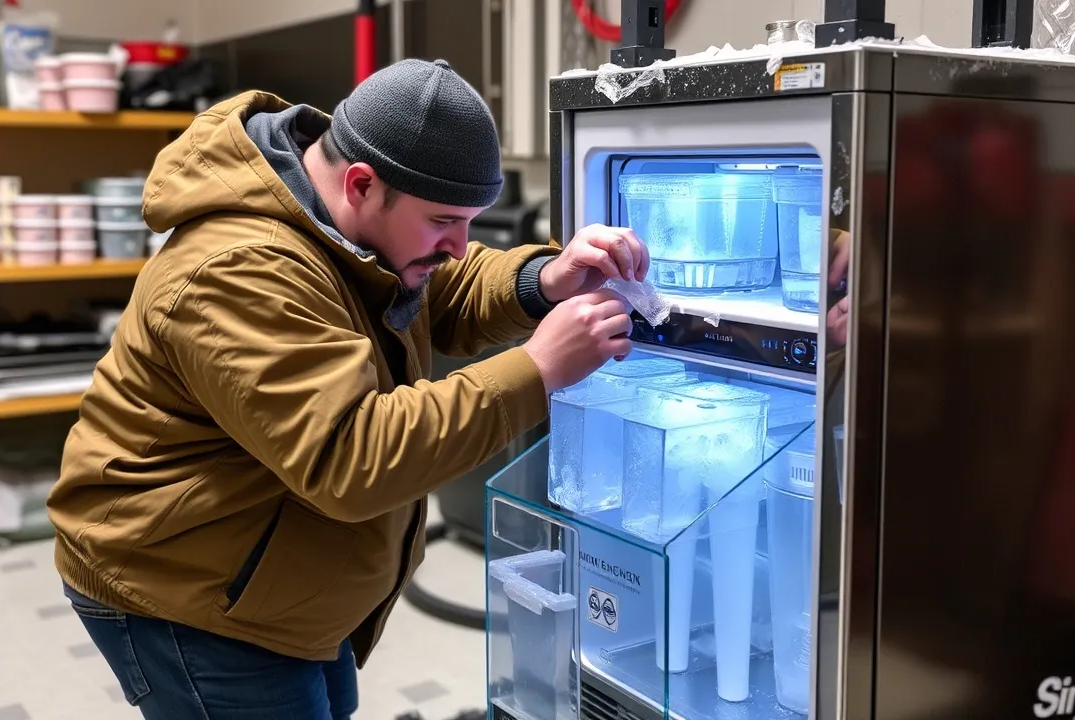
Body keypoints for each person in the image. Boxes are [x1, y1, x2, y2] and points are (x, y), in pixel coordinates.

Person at [45, 58, 648, 719]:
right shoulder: (238, 269)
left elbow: (445, 285)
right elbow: (351, 457)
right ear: (361, 183)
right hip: (186, 589)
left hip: (275, 575)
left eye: (470, 221)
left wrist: (544, 280)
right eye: (443, 221)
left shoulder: (341, 222)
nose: (458, 245)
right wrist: (537, 370)